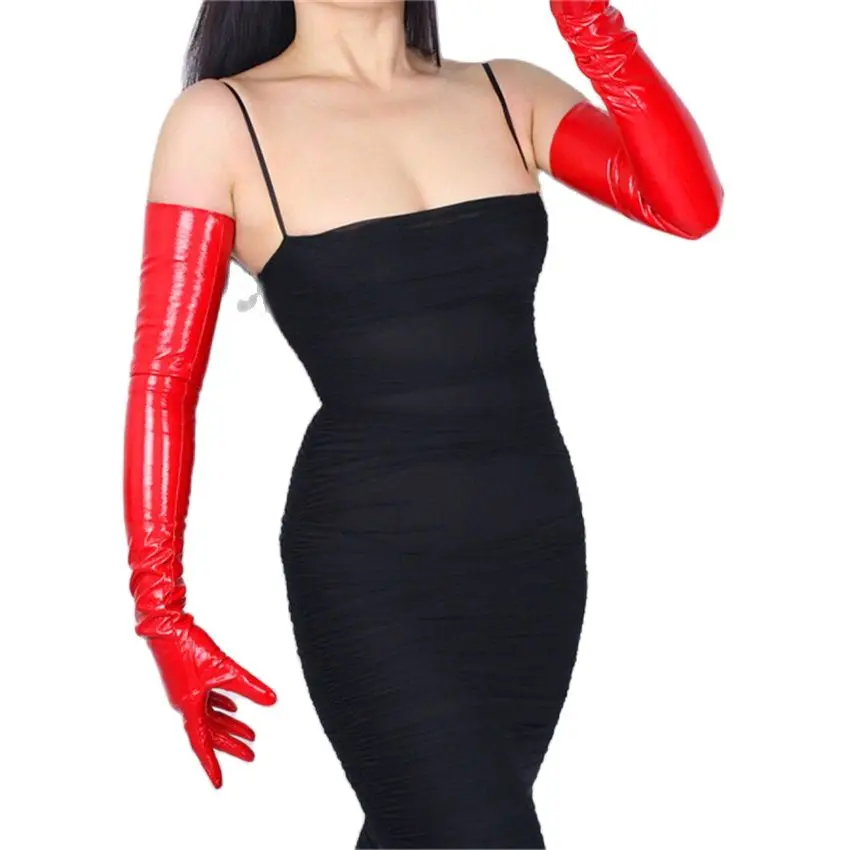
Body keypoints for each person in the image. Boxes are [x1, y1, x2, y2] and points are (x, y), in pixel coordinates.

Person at [123, 1, 722, 847]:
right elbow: (165, 380)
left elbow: (687, 204)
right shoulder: (221, 122)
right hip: (371, 566)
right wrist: (162, 611)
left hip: (535, 554)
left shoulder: (510, 93)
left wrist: (586, 16)